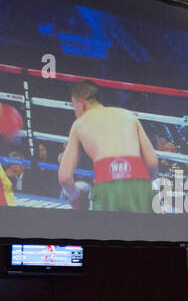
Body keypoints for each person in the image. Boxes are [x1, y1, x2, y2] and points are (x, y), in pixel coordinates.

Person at [57, 80, 158, 213]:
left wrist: (75, 197)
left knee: (110, 232)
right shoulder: (129, 116)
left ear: (81, 103)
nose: (75, 112)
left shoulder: (79, 124)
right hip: (140, 184)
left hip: (107, 186)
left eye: (74, 106)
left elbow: (64, 177)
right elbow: (152, 161)